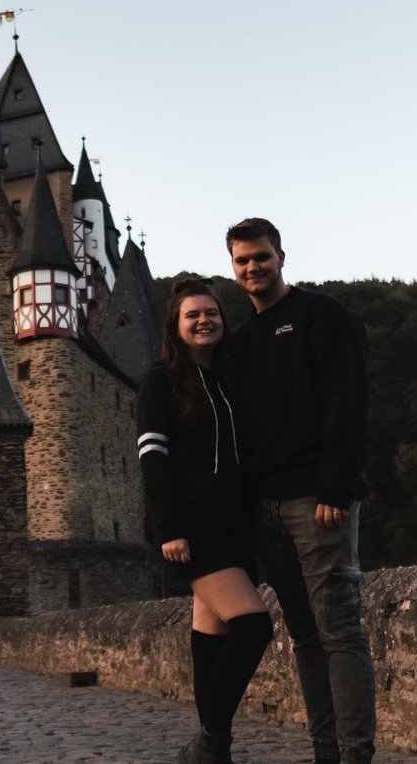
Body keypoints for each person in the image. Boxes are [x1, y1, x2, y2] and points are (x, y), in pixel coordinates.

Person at [224, 217, 376, 764]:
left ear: (281, 256)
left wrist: (337, 486)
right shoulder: (241, 342)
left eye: (260, 257)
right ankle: (325, 753)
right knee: (305, 636)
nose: (252, 268)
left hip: (318, 500)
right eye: (242, 261)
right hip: (265, 507)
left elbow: (348, 402)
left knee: (339, 631)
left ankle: (355, 755)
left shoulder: (321, 317)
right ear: (234, 268)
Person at [136, 278, 274, 764]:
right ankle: (210, 742)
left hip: (237, 524)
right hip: (193, 524)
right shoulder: (160, 381)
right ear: (176, 326)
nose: (203, 320)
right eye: (192, 314)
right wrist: (167, 526)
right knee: (254, 626)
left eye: (211, 312)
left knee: (210, 640)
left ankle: (212, 750)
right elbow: (153, 457)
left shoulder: (231, 380)